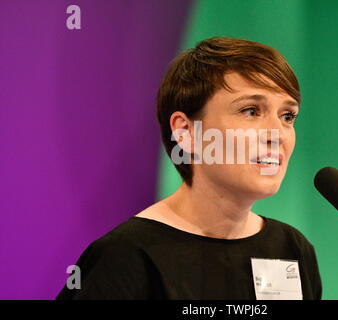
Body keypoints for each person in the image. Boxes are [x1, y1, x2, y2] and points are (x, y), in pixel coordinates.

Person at [56, 36, 322, 300]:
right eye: (251, 111)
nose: (278, 134)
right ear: (186, 132)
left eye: (287, 116)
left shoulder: (292, 249)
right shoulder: (126, 257)